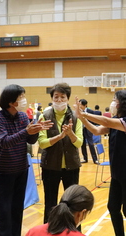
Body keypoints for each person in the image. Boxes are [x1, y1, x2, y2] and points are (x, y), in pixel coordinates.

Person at [76, 89, 126, 236]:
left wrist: (84, 112)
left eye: (115, 99)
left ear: (124, 103)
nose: (113, 102)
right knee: (113, 207)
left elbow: (105, 120)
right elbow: (97, 131)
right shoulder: (115, 122)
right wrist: (82, 117)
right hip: (118, 173)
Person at [0, 84, 52, 236]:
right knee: (4, 212)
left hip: (21, 169)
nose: (24, 99)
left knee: (17, 208)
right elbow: (4, 142)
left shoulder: (24, 116)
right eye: (21, 96)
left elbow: (29, 140)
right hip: (3, 172)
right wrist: (26, 131)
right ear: (11, 101)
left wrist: (37, 130)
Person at [38, 83, 83, 223]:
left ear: (67, 99)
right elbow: (42, 143)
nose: (59, 100)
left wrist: (70, 134)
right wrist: (59, 137)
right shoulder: (44, 116)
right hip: (50, 167)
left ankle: (73, 234)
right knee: (50, 203)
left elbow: (79, 143)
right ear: (51, 98)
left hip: (72, 167)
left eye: (62, 97)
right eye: (56, 97)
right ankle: (48, 233)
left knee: (72, 204)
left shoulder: (75, 118)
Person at [79, 99, 99, 164]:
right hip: (81, 129)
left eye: (81, 105)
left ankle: (95, 159)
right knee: (83, 144)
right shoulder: (78, 112)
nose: (80, 106)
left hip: (88, 129)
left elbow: (93, 120)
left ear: (85, 105)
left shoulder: (90, 111)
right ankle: (85, 158)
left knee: (90, 144)